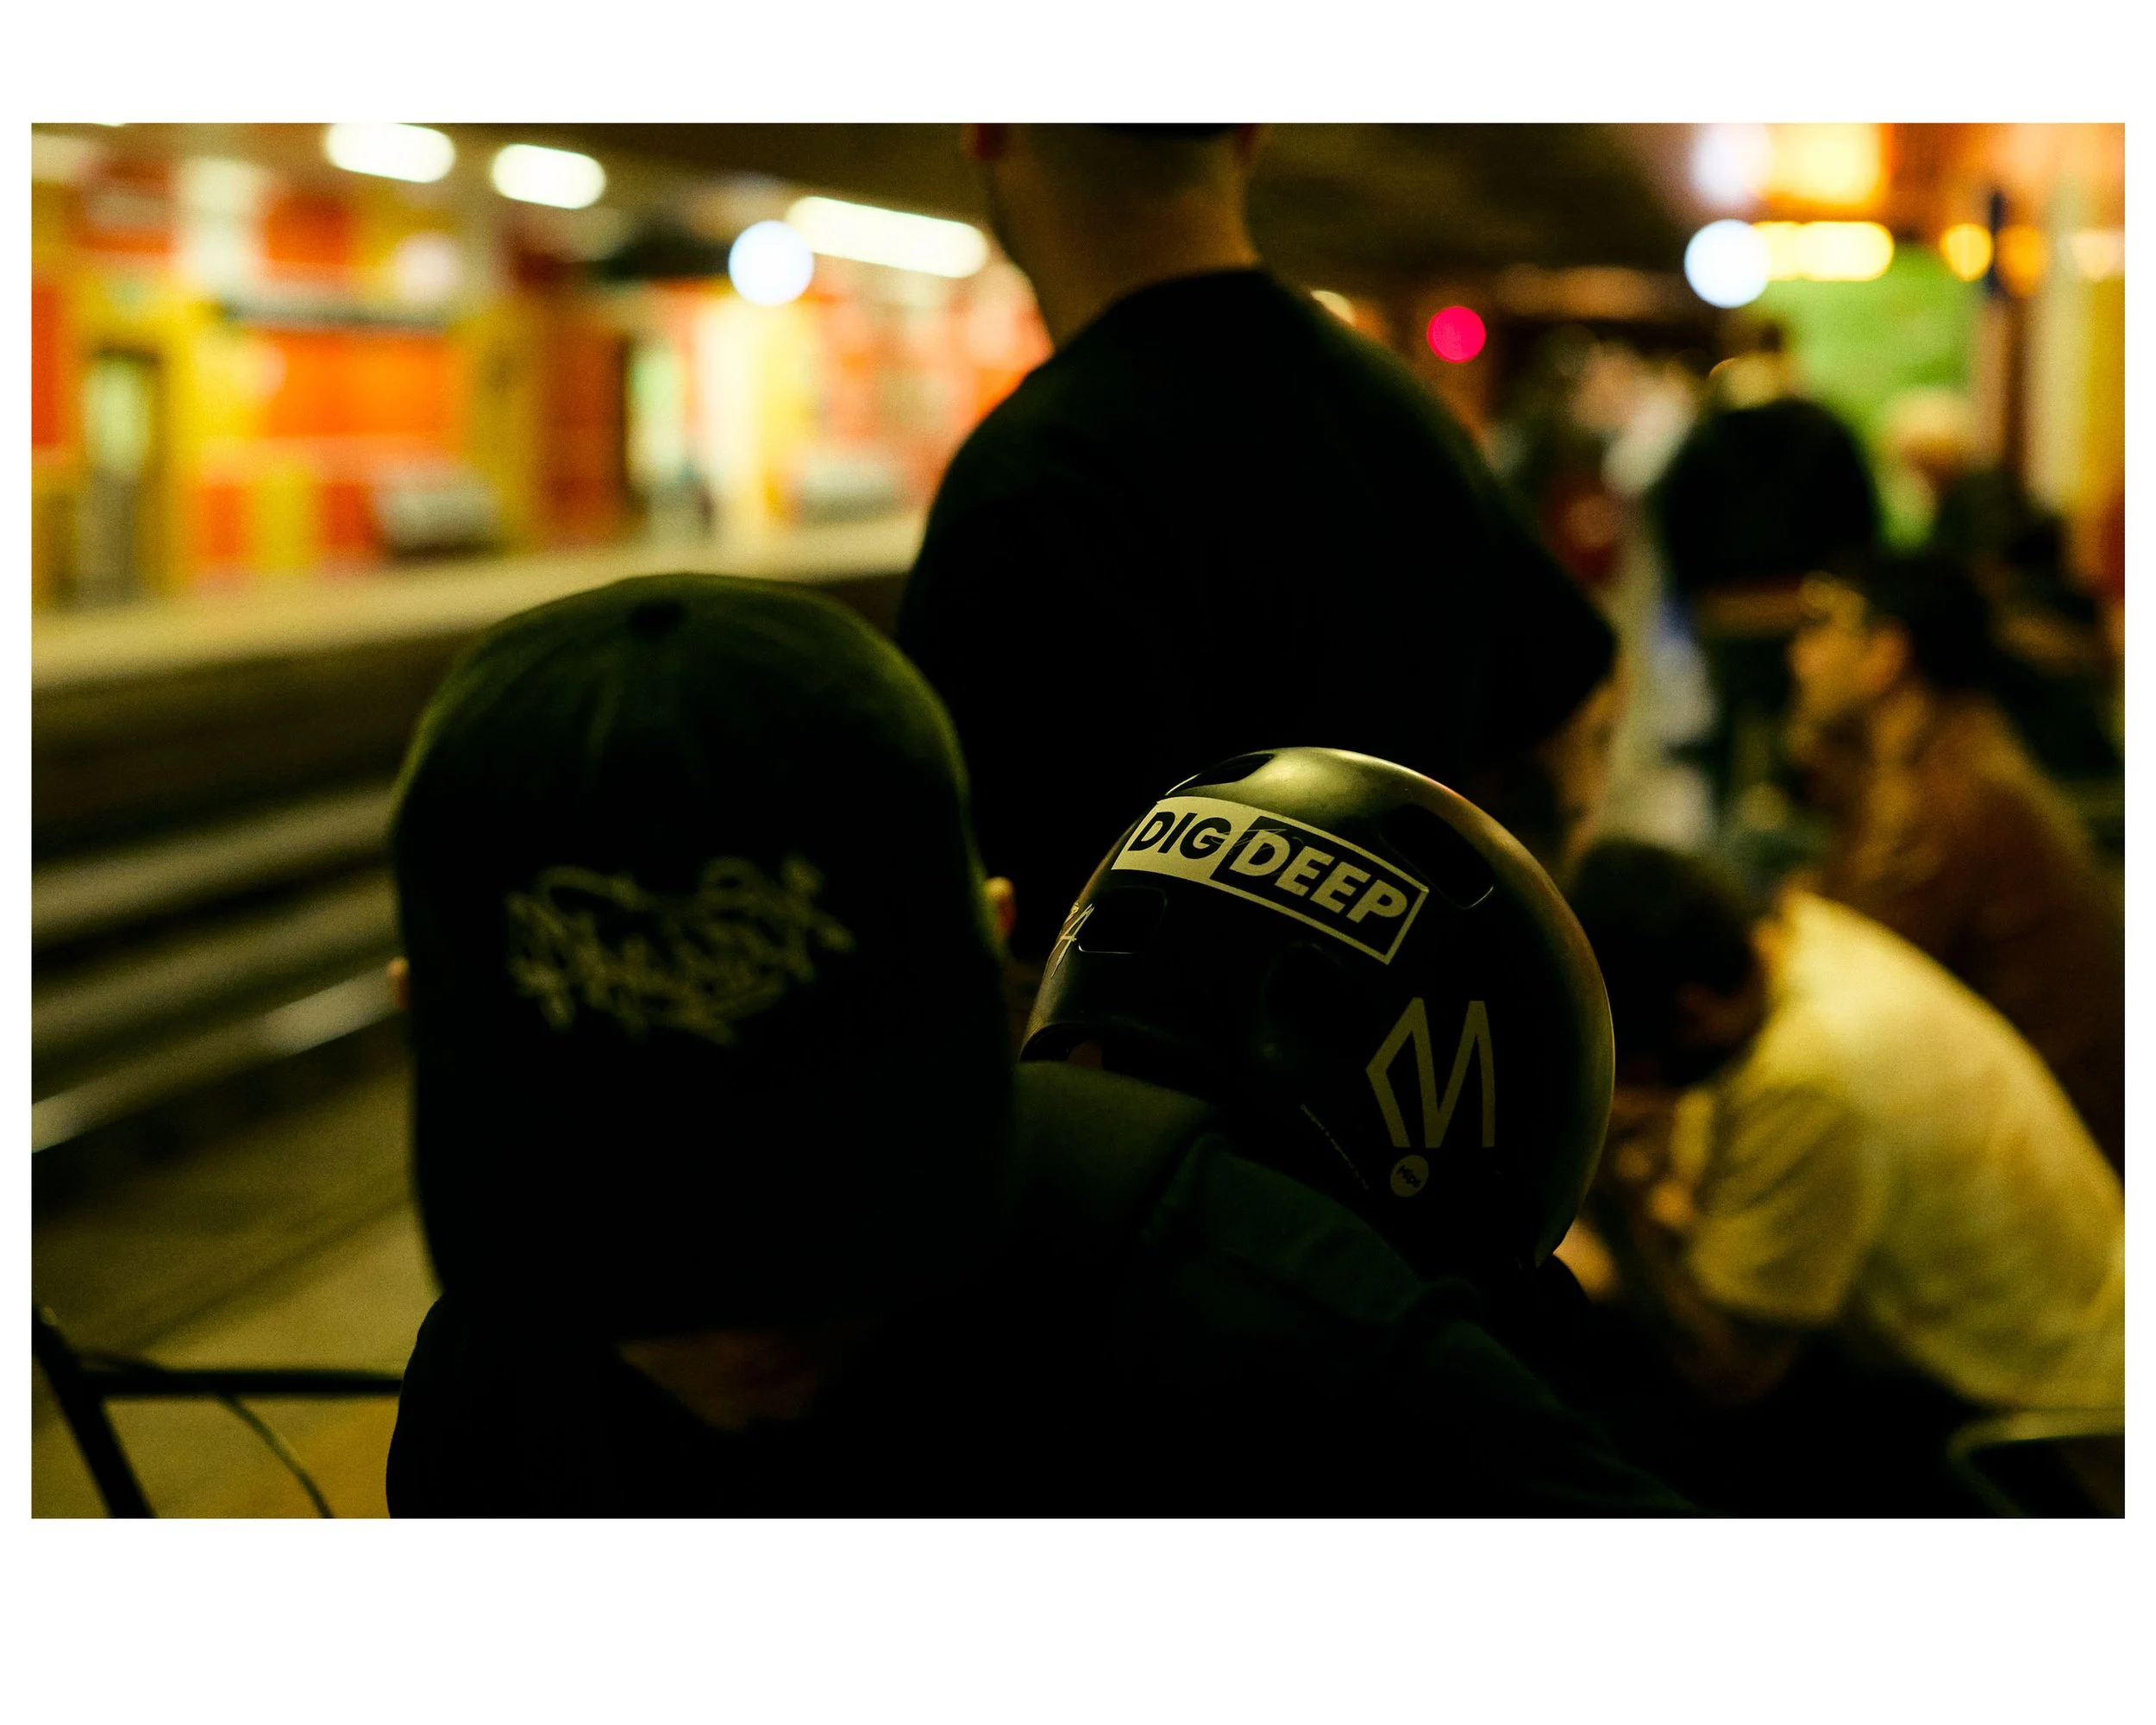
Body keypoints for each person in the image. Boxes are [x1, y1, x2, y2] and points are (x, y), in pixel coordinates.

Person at [383, 574, 1689, 1515]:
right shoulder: (491, 1379)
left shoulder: (1270, 1326)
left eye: (826, 1175)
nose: (743, 1319)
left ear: (1003, 980)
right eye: (632, 1209)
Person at [897, 124, 1620, 977]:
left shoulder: (1021, 482)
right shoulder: (1402, 417)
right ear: (1248, 135)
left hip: (1143, 1093)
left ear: (985, 131)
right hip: (1401, 1084)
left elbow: (969, 912)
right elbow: (1572, 705)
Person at [1564, 839, 2123, 1514]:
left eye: (1629, 1065)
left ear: (1691, 1012)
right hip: (2084, 1346)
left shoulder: (1810, 1080)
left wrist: (1606, 1184)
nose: (1631, 1087)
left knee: (1639, 1429)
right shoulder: (1807, 936)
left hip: (2042, 1431)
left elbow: (1729, 1373)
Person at [1786, 554, 2124, 1171]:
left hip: (2060, 1160)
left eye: (1819, 632)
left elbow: (1834, 1017)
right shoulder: (1951, 752)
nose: (1798, 660)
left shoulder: (1932, 803)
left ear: (1885, 655)